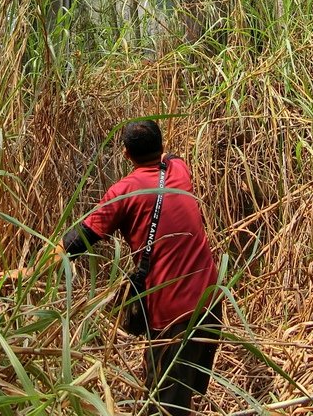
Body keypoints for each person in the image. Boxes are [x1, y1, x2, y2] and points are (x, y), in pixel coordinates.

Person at [61, 119, 221, 416]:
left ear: (125, 154)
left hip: (173, 314)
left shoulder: (124, 191)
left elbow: (77, 241)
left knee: (165, 405)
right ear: (161, 147)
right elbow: (169, 157)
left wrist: (32, 271)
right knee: (180, 390)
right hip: (211, 300)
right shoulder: (179, 169)